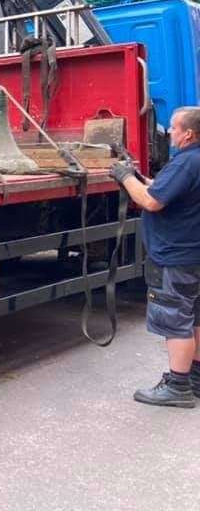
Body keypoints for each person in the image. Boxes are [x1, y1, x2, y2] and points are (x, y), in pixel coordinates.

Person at [111, 106, 200, 407]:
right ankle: (195, 378)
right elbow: (165, 190)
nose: (169, 132)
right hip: (194, 254)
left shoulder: (186, 162)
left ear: (188, 134)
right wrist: (138, 178)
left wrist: (124, 177)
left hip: (177, 256)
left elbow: (151, 201)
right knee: (195, 317)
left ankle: (177, 386)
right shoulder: (193, 162)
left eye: (174, 128)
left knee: (176, 319)